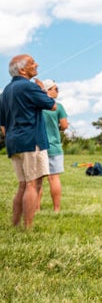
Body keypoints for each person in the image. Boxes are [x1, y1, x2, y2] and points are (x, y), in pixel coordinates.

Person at [0, 54, 57, 229]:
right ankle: (28, 227)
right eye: (33, 63)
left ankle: (16, 223)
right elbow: (52, 105)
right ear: (22, 70)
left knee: (23, 184)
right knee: (33, 184)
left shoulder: (6, 91)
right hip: (31, 140)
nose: (37, 64)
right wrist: (41, 89)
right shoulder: (29, 87)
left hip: (13, 142)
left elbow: (2, 125)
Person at [37, 79, 68, 212]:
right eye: (56, 89)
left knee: (37, 179)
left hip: (38, 146)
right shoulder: (58, 107)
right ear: (48, 90)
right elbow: (64, 125)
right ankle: (56, 209)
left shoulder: (37, 106)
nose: (58, 91)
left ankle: (36, 208)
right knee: (54, 178)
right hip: (54, 146)